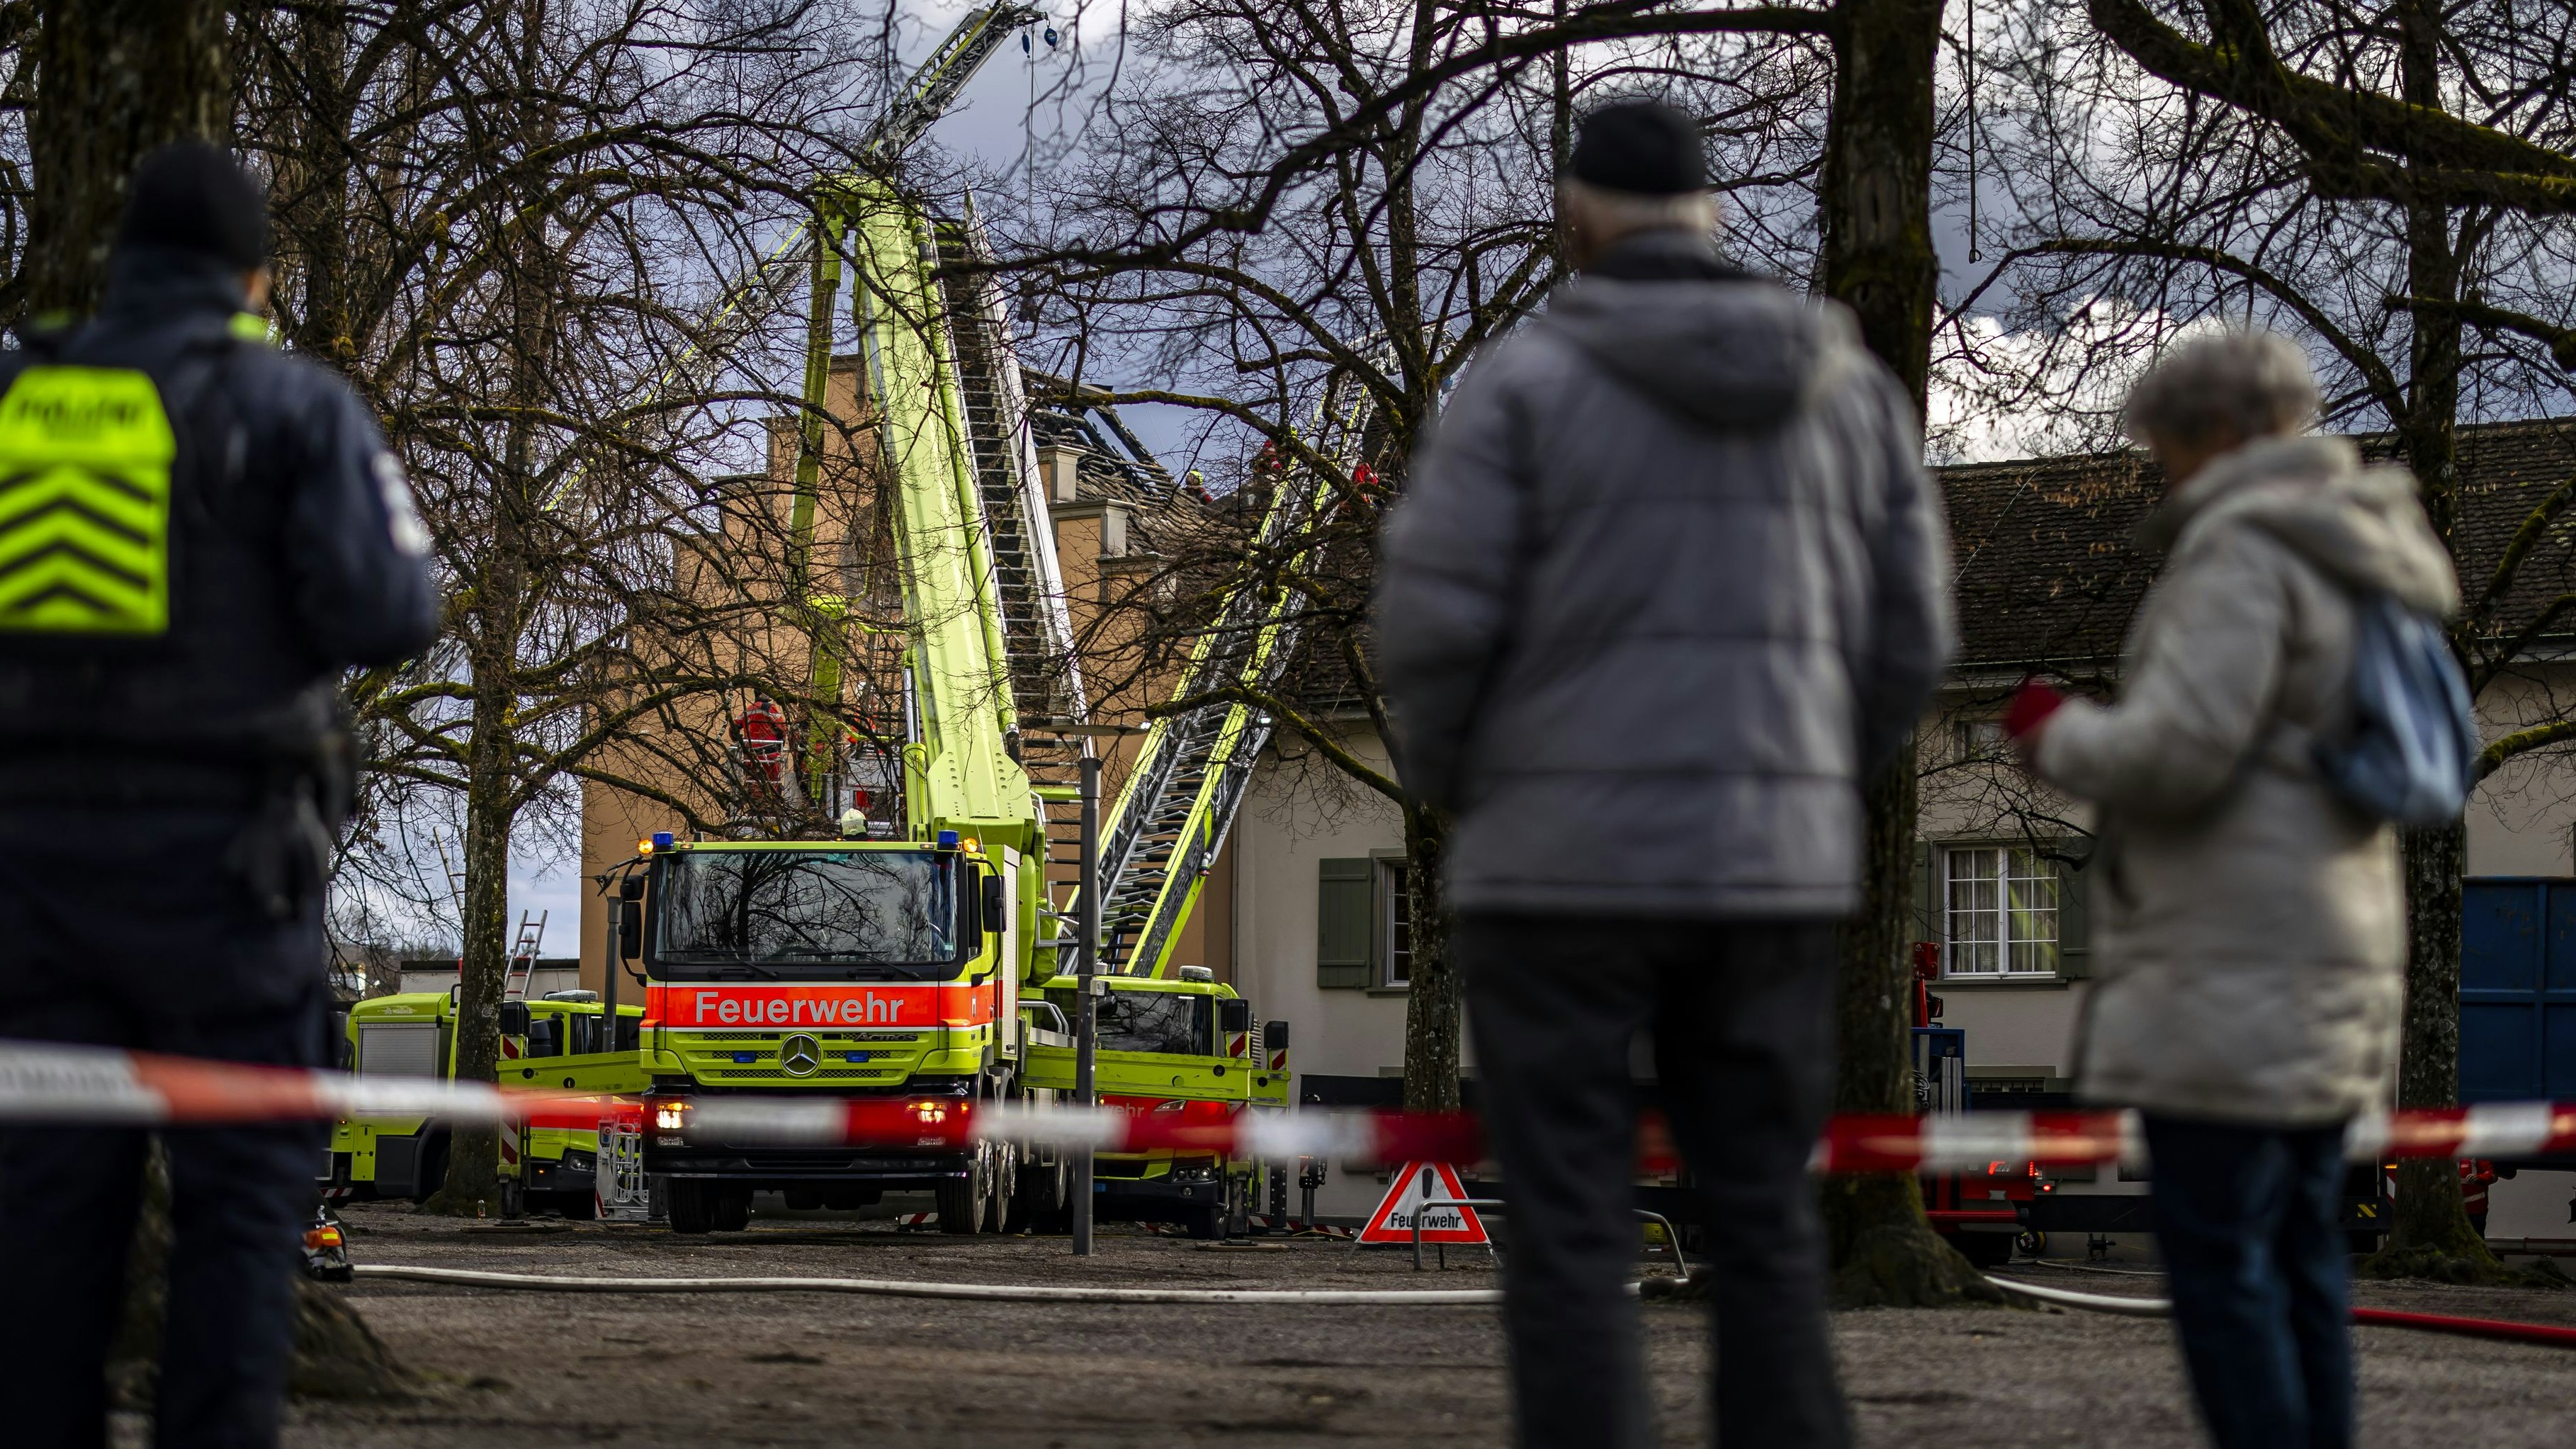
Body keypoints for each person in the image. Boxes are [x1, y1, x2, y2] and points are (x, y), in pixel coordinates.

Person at [1372, 98, 1953, 1449]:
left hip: (1556, 868)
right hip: (1765, 868)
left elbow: (1432, 626)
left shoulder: (1518, 389)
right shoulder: (1851, 392)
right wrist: (1810, 779)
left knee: (1571, 1230)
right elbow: (1912, 634)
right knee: (1765, 1221)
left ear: (1576, 216)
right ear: (1713, 213)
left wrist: (1477, 790)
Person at [0, 142, 440, 1447]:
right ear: (255, 274)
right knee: (243, 1220)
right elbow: (392, 609)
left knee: (35, 1229)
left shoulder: (21, 400)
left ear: (121, 264)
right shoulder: (293, 409)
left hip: (28, 886)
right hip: (228, 879)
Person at [2006, 332, 2449, 1449]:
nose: (2163, 469)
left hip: (2234, 966)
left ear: (2211, 436)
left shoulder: (2243, 555)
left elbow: (2181, 748)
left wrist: (2056, 733)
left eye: (2163, 446)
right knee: (2303, 1259)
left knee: (2218, 1262)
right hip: (2331, 949)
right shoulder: (2357, 549)